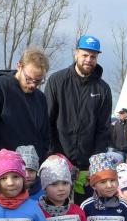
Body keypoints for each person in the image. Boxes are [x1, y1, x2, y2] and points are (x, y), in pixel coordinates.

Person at [45, 35, 112, 201]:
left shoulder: (103, 89)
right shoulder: (57, 81)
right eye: (85, 55)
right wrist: (51, 153)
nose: (89, 60)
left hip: (86, 167)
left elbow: (103, 129)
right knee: (58, 208)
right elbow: (46, 121)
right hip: (58, 162)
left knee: (84, 209)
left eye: (93, 56)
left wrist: (95, 163)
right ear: (76, 53)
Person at [0, 47, 49, 166]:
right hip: (3, 169)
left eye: (38, 81)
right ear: (19, 66)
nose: (32, 85)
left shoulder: (40, 98)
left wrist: (41, 159)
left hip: (32, 169)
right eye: (29, 79)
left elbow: (45, 135)